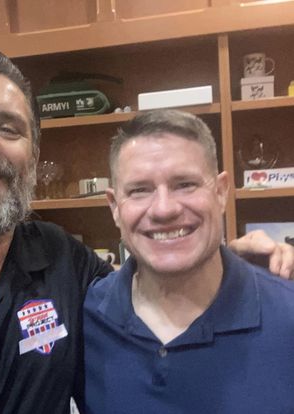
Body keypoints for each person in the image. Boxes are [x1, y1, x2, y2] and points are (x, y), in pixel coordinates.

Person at [0, 49, 291, 413]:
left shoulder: (62, 261)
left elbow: (154, 277)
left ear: (32, 158)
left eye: (9, 129)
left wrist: (230, 259)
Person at [83, 109, 294, 414]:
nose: (164, 209)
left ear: (221, 192)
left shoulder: (287, 314)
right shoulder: (86, 317)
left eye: (185, 184)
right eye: (140, 190)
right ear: (115, 207)